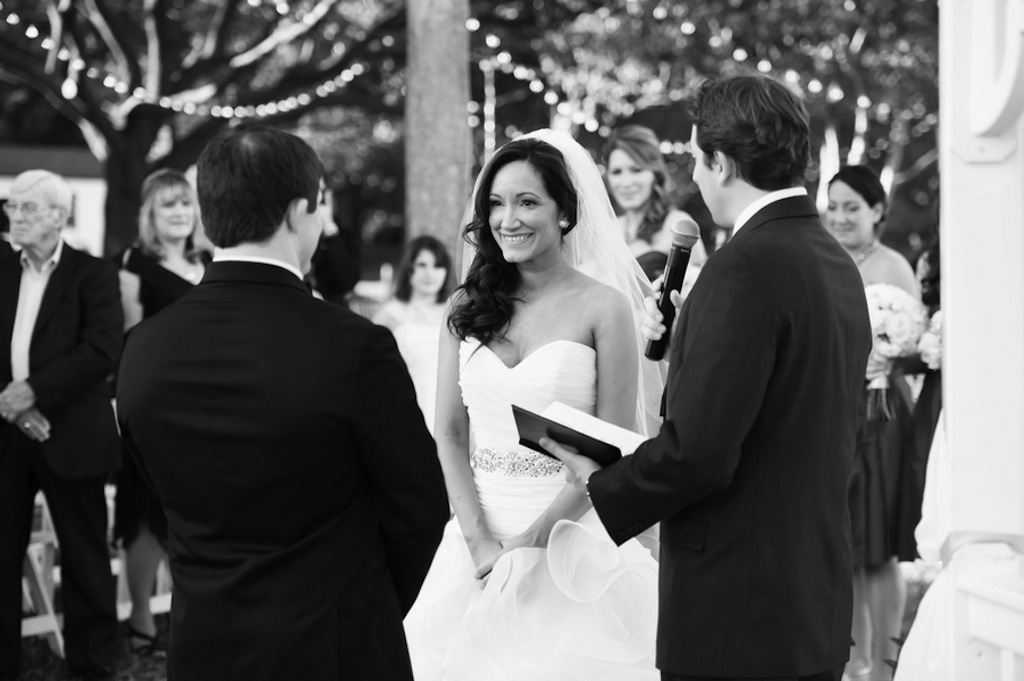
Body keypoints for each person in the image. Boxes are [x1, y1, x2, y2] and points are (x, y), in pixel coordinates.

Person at [550, 75, 873, 681]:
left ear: (722, 163)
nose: (695, 176)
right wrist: (682, 347)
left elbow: (699, 454)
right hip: (808, 602)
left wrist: (604, 481)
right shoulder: (832, 260)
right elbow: (781, 402)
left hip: (739, 613)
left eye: (699, 159)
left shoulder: (743, 267)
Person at [115, 125, 449, 681]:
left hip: (202, 643)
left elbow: (157, 482)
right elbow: (419, 507)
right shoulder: (353, 345)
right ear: (299, 212)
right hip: (334, 641)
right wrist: (369, 603)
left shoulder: (142, 348)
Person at [403, 129, 664, 680]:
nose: (508, 219)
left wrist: (531, 543)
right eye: (496, 204)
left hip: (570, 537)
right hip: (476, 537)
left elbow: (610, 451)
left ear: (564, 212)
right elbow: (448, 432)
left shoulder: (605, 307)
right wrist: (478, 540)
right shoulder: (466, 306)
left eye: (527, 202)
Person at [0, 170, 122, 681]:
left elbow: (101, 348)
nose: (14, 216)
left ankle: (90, 668)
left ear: (58, 216)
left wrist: (35, 394)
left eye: (27, 208)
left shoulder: (91, 273)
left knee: (86, 560)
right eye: (12, 206)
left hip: (70, 432)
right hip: (7, 431)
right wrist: (13, 405)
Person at [825, 165, 921, 681]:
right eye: (833, 206)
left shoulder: (895, 267)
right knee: (845, 544)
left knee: (879, 549)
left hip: (882, 417)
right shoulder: (821, 261)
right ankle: (853, 660)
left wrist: (887, 357)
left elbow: (920, 346)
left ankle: (885, 665)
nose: (839, 217)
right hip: (834, 411)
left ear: (878, 211)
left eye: (851, 208)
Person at [112, 168, 211, 656]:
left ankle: (192, 614)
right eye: (168, 205)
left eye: (185, 204)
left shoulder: (210, 261)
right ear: (150, 213)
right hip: (157, 406)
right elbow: (129, 337)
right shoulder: (133, 262)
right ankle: (141, 618)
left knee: (196, 516)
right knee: (147, 517)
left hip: (210, 408)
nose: (179, 213)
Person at [603, 124, 707, 287]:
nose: (626, 183)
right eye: (617, 172)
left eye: (636, 170)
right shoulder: (609, 228)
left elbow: (699, 288)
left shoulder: (678, 225)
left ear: (655, 173)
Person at [372, 235, 453, 433]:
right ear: (409, 269)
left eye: (437, 266)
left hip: (448, 409)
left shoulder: (455, 312)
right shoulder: (390, 313)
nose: (430, 273)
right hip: (403, 405)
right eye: (422, 265)